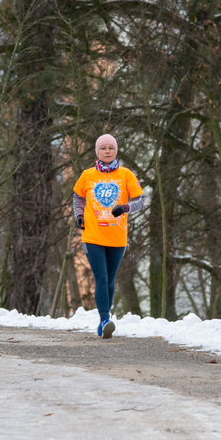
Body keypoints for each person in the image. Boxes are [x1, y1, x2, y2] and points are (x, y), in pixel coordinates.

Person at [73, 134, 145, 338]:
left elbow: (141, 200)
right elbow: (78, 196)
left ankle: (104, 321)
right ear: (97, 152)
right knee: (101, 277)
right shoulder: (87, 175)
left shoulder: (126, 175)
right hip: (93, 236)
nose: (107, 151)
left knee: (110, 279)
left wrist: (124, 207)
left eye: (110, 148)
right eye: (103, 148)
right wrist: (79, 215)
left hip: (117, 237)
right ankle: (105, 318)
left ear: (116, 151)